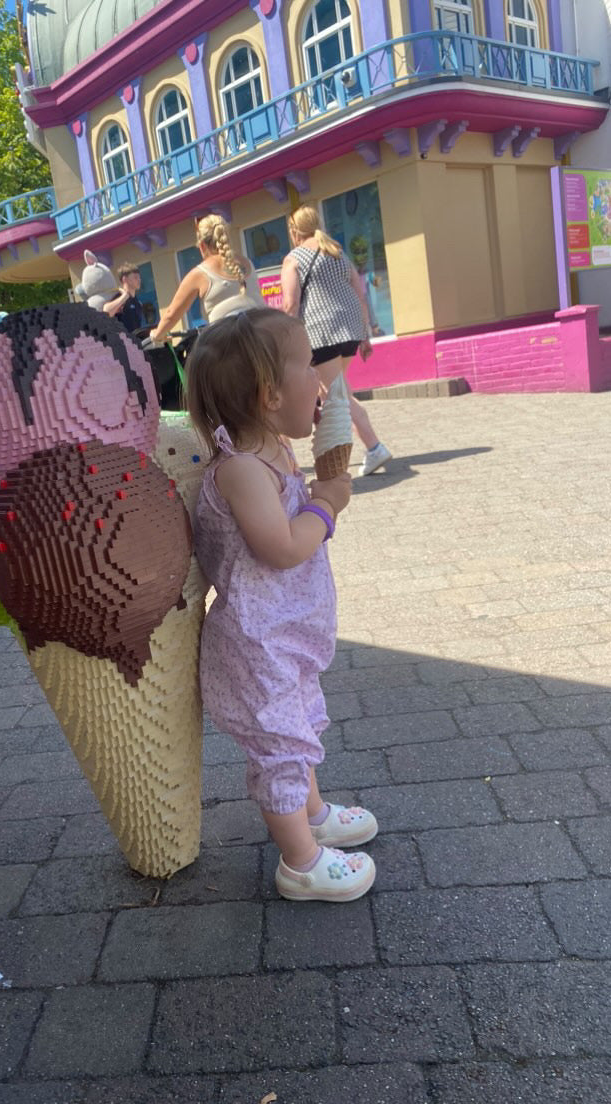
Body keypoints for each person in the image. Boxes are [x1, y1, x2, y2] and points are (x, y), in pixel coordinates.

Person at [187, 310, 377, 902]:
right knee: (280, 747)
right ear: (270, 394)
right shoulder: (242, 470)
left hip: (284, 631)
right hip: (256, 641)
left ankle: (312, 815)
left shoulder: (274, 451)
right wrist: (327, 505)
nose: (320, 381)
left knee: (300, 725)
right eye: (307, 367)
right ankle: (301, 862)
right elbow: (282, 548)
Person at [282, 207, 391, 477]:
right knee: (333, 393)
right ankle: (335, 450)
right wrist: (365, 334)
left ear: (294, 231)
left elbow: (290, 304)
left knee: (338, 396)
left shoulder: (294, 258)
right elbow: (360, 293)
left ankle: (374, 447)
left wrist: (284, 340)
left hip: (321, 334)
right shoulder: (337, 253)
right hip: (348, 331)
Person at [149, 214, 264, 342]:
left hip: (231, 343)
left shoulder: (200, 273)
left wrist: (157, 335)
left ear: (202, 246)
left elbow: (171, 315)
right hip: (263, 335)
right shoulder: (247, 263)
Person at [111, 263, 146, 331]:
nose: (139, 280)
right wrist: (124, 296)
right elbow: (106, 312)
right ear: (125, 279)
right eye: (135, 277)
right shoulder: (119, 297)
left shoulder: (138, 302)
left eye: (139, 277)